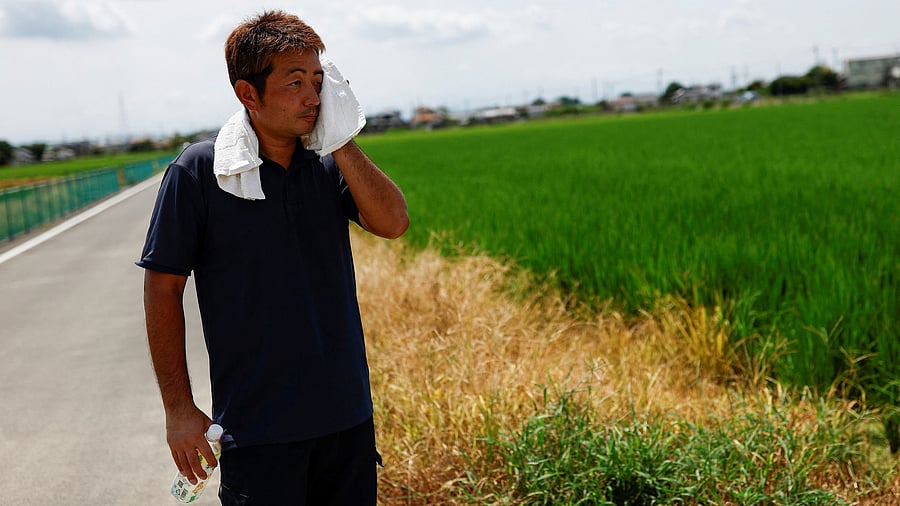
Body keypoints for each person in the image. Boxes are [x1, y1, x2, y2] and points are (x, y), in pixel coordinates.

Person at [137, 10, 408, 505]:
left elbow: (393, 223)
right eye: (295, 82)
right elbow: (162, 290)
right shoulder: (202, 172)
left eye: (319, 81)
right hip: (257, 431)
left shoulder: (327, 163)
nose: (313, 96)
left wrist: (342, 140)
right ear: (248, 94)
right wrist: (178, 407)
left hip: (346, 421)